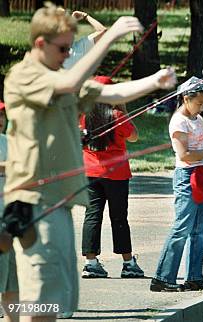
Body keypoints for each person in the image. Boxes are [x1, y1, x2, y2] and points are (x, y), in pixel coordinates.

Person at [2, 5, 175, 320]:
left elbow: (109, 93)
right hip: (35, 203)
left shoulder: (60, 75)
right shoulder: (26, 76)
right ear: (41, 44)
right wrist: (108, 40)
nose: (69, 54)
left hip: (59, 203)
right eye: (64, 48)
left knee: (50, 301)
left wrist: (155, 82)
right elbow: (68, 85)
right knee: (45, 302)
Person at [150, 77, 203, 292]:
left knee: (200, 230)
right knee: (182, 227)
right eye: (199, 102)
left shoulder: (197, 119)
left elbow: (199, 149)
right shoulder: (179, 122)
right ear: (186, 98)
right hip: (187, 176)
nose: (202, 106)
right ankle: (162, 279)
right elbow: (185, 155)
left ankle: (194, 277)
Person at [79, 76, 144, 279]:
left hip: (90, 172)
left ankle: (91, 263)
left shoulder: (82, 116)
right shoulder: (117, 115)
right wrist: (123, 109)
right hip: (116, 174)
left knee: (92, 215)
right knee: (119, 217)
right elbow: (134, 136)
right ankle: (128, 263)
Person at [0, 101, 18, 322]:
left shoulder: (9, 142)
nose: (0, 119)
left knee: (13, 282)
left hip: (13, 218)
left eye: (3, 115)